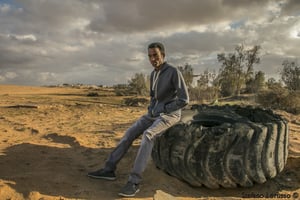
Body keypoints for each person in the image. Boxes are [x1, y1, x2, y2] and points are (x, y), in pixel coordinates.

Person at [87, 42, 189, 197]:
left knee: (148, 135)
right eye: (150, 56)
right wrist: (151, 109)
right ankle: (109, 169)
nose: (152, 58)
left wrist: (165, 109)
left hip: (170, 115)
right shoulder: (153, 74)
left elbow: (184, 99)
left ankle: (134, 182)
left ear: (163, 55)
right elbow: (153, 97)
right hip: (153, 113)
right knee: (129, 133)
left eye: (155, 55)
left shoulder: (173, 72)